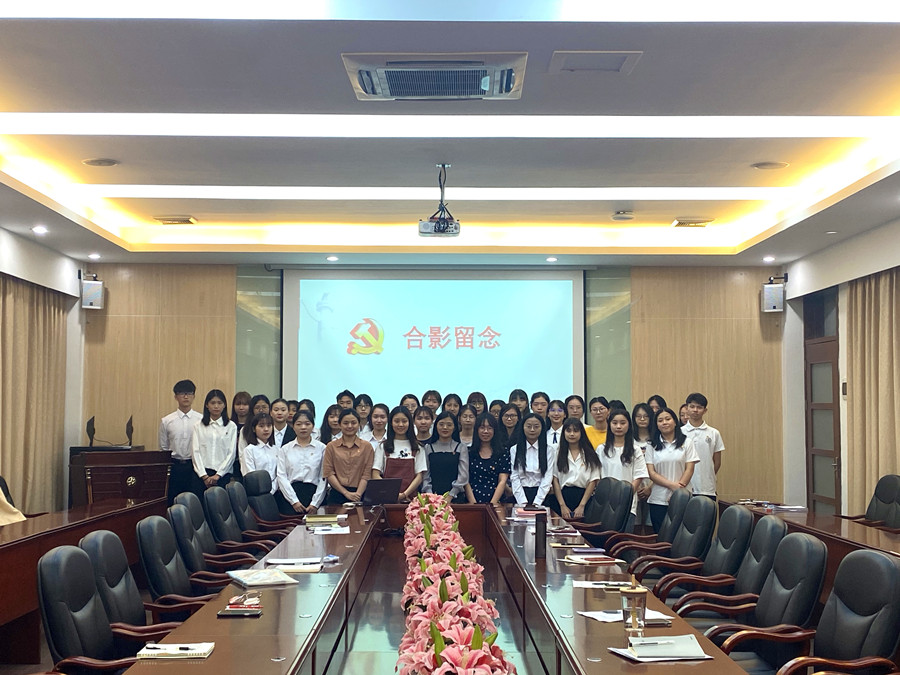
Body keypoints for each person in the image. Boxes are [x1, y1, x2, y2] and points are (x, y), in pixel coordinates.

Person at [645, 406, 700, 532]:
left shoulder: (687, 442)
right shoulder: (651, 445)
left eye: (668, 419)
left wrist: (678, 491)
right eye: (660, 420)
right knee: (660, 536)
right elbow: (651, 473)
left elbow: (689, 469)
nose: (664, 422)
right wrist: (673, 486)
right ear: (656, 425)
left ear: (675, 422)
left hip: (683, 497)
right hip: (658, 499)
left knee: (681, 536)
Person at [599, 409, 649, 532]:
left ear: (629, 425)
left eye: (622, 423)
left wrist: (625, 496)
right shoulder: (601, 449)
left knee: (624, 539)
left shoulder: (635, 450)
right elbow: (597, 476)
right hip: (606, 503)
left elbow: (639, 476)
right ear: (609, 425)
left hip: (628, 504)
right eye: (614, 423)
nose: (618, 426)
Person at [158, 379, 202, 504]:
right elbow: (163, 447)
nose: (186, 396)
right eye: (182, 393)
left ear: (194, 396)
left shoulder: (201, 419)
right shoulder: (167, 421)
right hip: (175, 466)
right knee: (174, 500)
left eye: (189, 393)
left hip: (194, 466)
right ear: (175, 397)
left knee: (194, 501)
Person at [550, 418, 601, 519]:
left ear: (581, 433)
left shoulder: (590, 454)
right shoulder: (557, 453)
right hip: (563, 497)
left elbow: (593, 481)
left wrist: (582, 505)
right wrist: (562, 505)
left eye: (576, 431)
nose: (572, 434)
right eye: (568, 431)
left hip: (585, 498)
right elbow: (555, 480)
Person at [276, 410, 326, 513]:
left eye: (307, 424)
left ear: (313, 426)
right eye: (299, 424)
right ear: (293, 426)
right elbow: (281, 476)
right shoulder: (285, 449)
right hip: (290, 496)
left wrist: (315, 503)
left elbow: (323, 477)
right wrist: (294, 501)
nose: (303, 427)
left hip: (315, 494)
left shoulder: (322, 448)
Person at [321, 409, 374, 505]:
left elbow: (367, 474)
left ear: (359, 424)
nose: (350, 426)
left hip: (361, 494)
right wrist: (345, 493)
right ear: (340, 424)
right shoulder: (331, 446)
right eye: (345, 423)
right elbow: (329, 473)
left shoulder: (367, 446)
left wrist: (358, 494)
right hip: (337, 494)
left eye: (353, 423)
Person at [373, 406, 427, 501]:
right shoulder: (383, 446)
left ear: (410, 423)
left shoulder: (417, 447)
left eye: (404, 421)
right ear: (391, 423)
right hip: (387, 498)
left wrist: (404, 494)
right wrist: (391, 493)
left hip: (411, 499)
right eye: (396, 421)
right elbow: (375, 474)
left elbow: (419, 476)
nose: (400, 425)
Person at [190, 389, 237, 494]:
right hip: (201, 475)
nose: (216, 406)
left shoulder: (231, 426)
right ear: (207, 405)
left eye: (219, 403)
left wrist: (218, 475)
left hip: (223, 475)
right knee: (199, 503)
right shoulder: (198, 426)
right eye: (213, 403)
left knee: (221, 503)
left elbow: (231, 453)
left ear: (224, 405)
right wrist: (204, 476)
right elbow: (195, 452)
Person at [682, 392, 724, 499]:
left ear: (705, 410)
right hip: (684, 487)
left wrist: (708, 476)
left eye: (699, 407)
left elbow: (717, 462)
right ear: (687, 408)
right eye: (692, 406)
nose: (695, 410)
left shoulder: (714, 433)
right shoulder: (679, 433)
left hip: (707, 488)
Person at [509, 412, 555, 507]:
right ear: (523, 427)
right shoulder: (515, 449)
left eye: (536, 426)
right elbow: (514, 476)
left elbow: (547, 477)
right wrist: (522, 502)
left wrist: (537, 502)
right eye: (529, 426)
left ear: (542, 428)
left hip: (542, 495)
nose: (532, 430)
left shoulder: (548, 450)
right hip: (520, 494)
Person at [465, 413, 511, 505]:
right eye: (482, 428)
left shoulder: (503, 452)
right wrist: (474, 504)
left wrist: (492, 504)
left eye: (489, 428)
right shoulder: (469, 452)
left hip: (496, 501)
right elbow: (466, 480)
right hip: (472, 501)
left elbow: (502, 480)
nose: (485, 431)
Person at [422, 411, 469, 502]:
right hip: (432, 498)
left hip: (456, 498)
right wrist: (431, 496)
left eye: (449, 425)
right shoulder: (428, 448)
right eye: (441, 424)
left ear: (454, 427)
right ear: (436, 426)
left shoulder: (461, 447)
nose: (445, 427)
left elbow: (463, 476)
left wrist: (451, 496)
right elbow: (426, 476)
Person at [631, 402, 655, 529]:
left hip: (654, 486)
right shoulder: (629, 439)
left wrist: (650, 487)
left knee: (650, 527)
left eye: (645, 416)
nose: (642, 419)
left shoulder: (657, 439)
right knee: (635, 526)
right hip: (634, 487)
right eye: (638, 416)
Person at [241, 412, 277, 491]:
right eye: (261, 426)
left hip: (275, 491)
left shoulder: (276, 449)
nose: (266, 429)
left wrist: (273, 489)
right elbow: (249, 475)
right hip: (256, 492)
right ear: (254, 429)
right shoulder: (249, 450)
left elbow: (280, 473)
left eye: (269, 425)